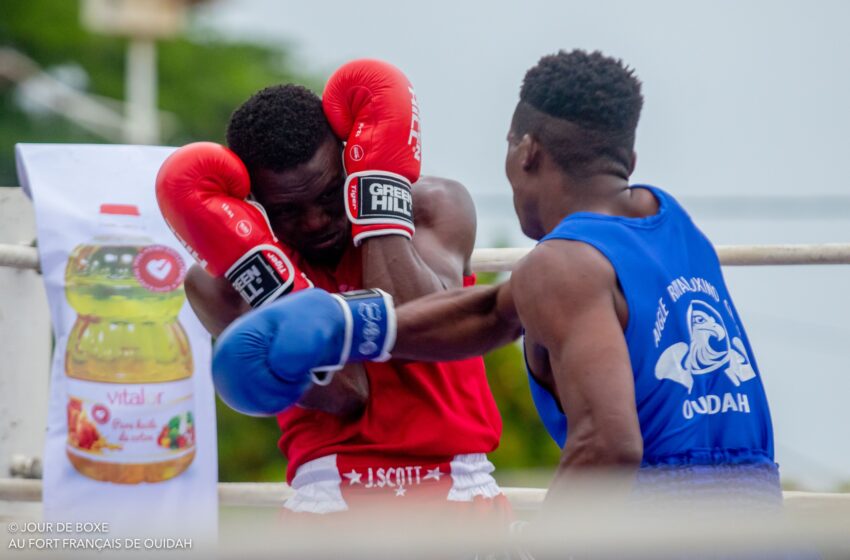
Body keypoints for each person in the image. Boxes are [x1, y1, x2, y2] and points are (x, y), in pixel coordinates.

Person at [214, 50, 781, 511]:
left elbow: (609, 446)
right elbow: (492, 316)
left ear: (526, 149)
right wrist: (342, 324)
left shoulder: (558, 265)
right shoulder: (675, 225)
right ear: (627, 154)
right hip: (757, 507)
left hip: (658, 519)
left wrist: (541, 551)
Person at [157, 59, 507, 517]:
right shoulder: (219, 284)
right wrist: (266, 271)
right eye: (287, 211)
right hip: (328, 500)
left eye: (329, 195)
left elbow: (426, 330)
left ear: (349, 161)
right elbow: (346, 393)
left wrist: (378, 202)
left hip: (458, 487)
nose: (316, 221)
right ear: (252, 204)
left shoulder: (432, 207)